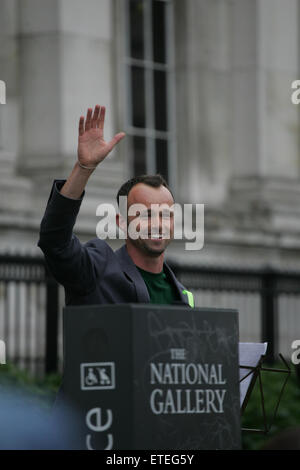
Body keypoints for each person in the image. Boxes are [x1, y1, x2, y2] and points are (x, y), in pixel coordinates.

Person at [38, 104, 194, 308]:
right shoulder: (97, 269)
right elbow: (55, 242)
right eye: (145, 215)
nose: (157, 224)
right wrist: (84, 168)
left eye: (166, 215)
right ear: (121, 221)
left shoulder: (182, 295)